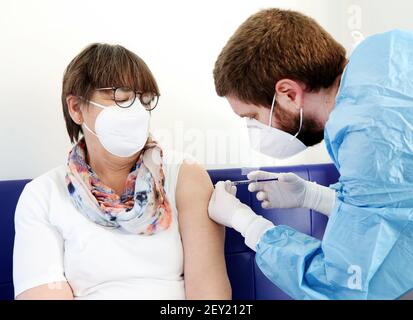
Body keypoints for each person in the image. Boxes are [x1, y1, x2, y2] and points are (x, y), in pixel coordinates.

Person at [208, 8, 413, 299]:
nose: (253, 128)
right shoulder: (389, 56)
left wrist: (248, 224)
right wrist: (315, 197)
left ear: (289, 93)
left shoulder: (369, 136)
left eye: (252, 116)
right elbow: (396, 208)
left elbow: (344, 286)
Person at [13, 43, 231, 300]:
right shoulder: (42, 195)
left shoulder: (184, 175)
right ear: (76, 108)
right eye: (121, 96)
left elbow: (210, 297)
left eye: (144, 98)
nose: (137, 110)